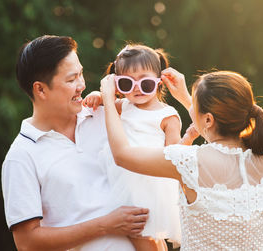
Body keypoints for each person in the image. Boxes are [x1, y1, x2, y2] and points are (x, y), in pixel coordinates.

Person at [100, 68, 263, 250]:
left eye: (194, 106)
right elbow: (213, 127)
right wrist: (184, 95)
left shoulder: (189, 161)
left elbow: (122, 155)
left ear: (208, 120)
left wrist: (108, 100)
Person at [1, 35, 149, 251]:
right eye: (71, 80)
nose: (82, 85)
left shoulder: (105, 115)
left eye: (80, 74)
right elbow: (27, 242)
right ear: (40, 90)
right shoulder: (21, 156)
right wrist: (105, 225)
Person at [83, 44, 195, 251]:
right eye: (127, 83)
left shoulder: (167, 115)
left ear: (159, 82)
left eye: (145, 83)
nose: (136, 88)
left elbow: (174, 155)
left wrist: (188, 138)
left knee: (143, 234)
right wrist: (98, 96)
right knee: (146, 236)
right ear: (117, 86)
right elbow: (106, 104)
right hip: (122, 179)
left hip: (149, 182)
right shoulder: (123, 105)